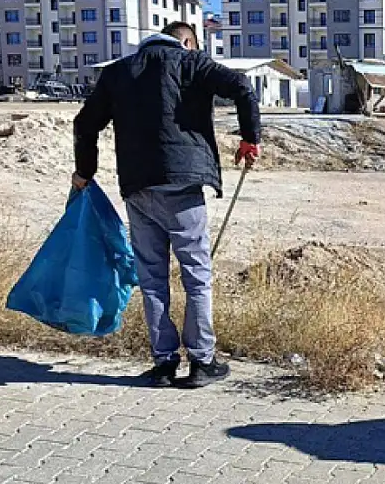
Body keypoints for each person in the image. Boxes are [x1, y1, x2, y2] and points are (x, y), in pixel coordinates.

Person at [72, 22, 261, 389]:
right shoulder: (193, 63)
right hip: (184, 186)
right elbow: (242, 86)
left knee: (153, 278)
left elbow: (85, 123)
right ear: (186, 42)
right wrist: (250, 139)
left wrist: (85, 171)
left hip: (138, 188)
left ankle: (163, 363)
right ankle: (202, 361)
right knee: (196, 274)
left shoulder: (117, 73)